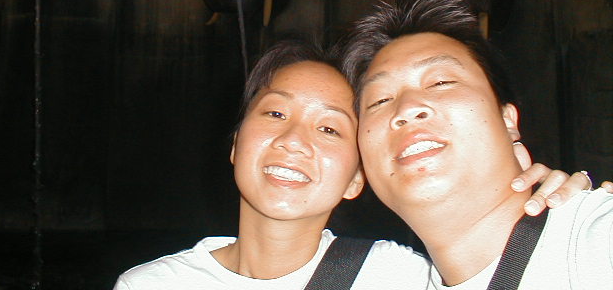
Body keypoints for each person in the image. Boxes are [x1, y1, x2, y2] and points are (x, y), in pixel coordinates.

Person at [113, 38, 593, 289]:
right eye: (275, 113)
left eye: (329, 129)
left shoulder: (402, 278)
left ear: (357, 178)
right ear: (237, 144)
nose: (293, 141)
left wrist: (550, 204)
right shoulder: (151, 285)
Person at [339, 0, 613, 289]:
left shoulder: (596, 245)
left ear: (507, 120)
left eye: (441, 82)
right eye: (379, 100)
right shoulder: (383, 279)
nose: (406, 109)